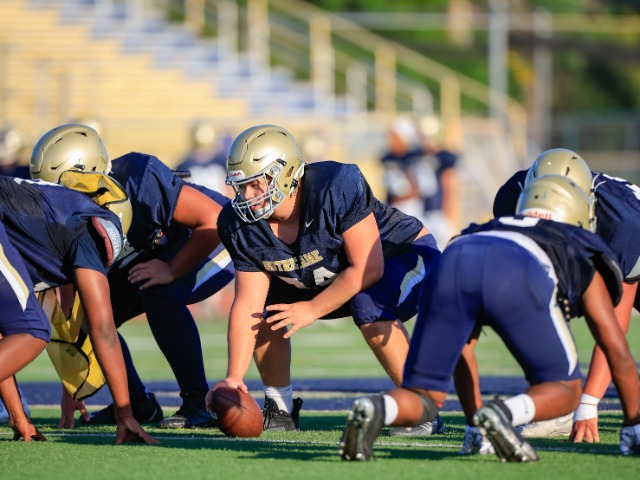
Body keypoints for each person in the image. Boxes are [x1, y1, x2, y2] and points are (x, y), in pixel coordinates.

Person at [339, 174, 640, 462]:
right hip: (516, 271)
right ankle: (505, 413)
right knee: (565, 390)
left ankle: (379, 407)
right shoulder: (580, 241)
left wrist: (474, 423)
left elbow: (463, 348)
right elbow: (616, 349)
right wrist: (633, 423)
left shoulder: (488, 225)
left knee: (425, 396)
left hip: (453, 258)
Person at [205, 124, 442, 434]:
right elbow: (248, 303)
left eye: (256, 184)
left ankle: (421, 408)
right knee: (265, 310)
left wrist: (313, 309)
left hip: (399, 254)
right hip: (332, 276)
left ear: (285, 173)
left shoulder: (334, 185)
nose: (246, 196)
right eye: (241, 186)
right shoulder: (237, 223)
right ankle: (280, 409)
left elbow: (369, 268)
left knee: (369, 302)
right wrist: (234, 377)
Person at [30, 124, 234, 430]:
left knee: (159, 293)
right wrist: (72, 385)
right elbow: (71, 297)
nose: (55, 201)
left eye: (63, 189)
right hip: (149, 254)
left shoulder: (138, 179)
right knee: (90, 315)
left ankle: (197, 402)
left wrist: (171, 269)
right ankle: (137, 405)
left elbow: (213, 221)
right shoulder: (65, 216)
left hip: (213, 239)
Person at [492, 148, 640, 442]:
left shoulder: (623, 223)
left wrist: (589, 403)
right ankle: (558, 404)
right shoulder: (509, 199)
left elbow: (614, 324)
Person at [0, 175, 157, 445]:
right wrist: (125, 414)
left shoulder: (39, 225)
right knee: (33, 331)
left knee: (25, 328)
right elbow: (104, 331)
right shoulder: (90, 226)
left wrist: (17, 416)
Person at [379, 116, 460, 248]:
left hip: (433, 213)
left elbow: (447, 185)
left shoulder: (439, 158)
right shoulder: (407, 158)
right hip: (419, 213)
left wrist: (451, 217)